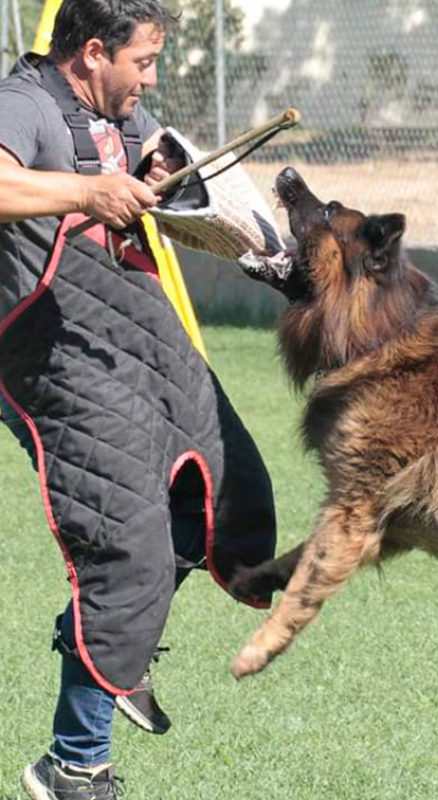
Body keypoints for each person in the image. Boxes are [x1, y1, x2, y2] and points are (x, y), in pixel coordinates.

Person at [0, 2, 278, 798]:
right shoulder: (22, 105)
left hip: (140, 333)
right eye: (144, 62)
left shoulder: (118, 110)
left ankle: (110, 644)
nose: (151, 79)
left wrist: (162, 173)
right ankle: (74, 766)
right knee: (128, 552)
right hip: (52, 352)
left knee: (233, 498)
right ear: (93, 52)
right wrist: (85, 195)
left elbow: (147, 162)